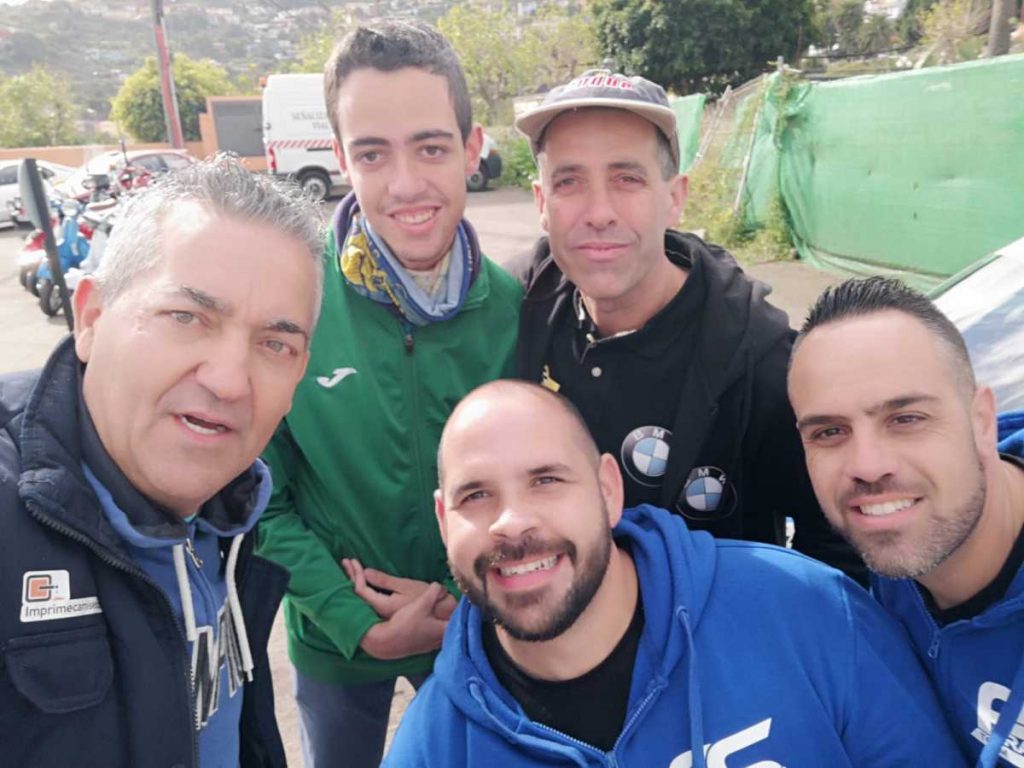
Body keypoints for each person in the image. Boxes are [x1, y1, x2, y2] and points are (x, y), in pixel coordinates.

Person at [383, 379, 964, 766]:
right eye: (476, 495)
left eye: (547, 480)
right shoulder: (434, 748)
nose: (511, 522)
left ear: (608, 490)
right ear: (444, 521)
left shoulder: (805, 610)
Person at [255, 20, 522, 768]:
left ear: (472, 149)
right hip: (337, 644)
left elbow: (536, 492)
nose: (405, 184)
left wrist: (463, 607)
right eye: (373, 153)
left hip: (475, 635)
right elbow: (259, 496)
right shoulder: (289, 305)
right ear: (341, 159)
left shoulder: (517, 313)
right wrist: (357, 624)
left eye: (431, 148)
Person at [0, 155, 323, 768]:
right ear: (91, 318)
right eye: (187, 317)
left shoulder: (229, 510)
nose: (229, 380)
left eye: (275, 344)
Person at [512, 69, 861, 579]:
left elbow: (839, 544)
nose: (599, 212)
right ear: (542, 204)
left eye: (627, 179)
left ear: (675, 198)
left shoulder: (761, 363)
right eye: (569, 182)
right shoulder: (515, 309)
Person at [787, 276, 1024, 768]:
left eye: (906, 418)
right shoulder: (894, 570)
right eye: (829, 432)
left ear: (982, 421)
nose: (868, 466)